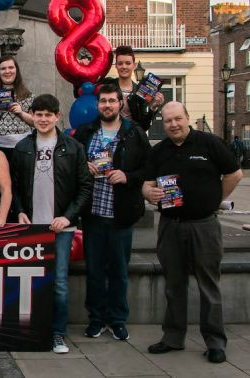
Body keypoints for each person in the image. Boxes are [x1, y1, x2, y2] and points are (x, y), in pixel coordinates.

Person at [142, 102, 242, 364]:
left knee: (209, 285)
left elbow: (235, 174)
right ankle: (173, 338)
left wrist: (214, 199)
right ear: (162, 124)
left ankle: (215, 342)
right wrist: (148, 192)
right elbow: (147, 184)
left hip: (204, 225)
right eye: (168, 121)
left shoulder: (209, 143)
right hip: (170, 225)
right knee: (174, 285)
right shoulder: (160, 151)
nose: (173, 125)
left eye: (177, 119)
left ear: (188, 118)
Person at [10, 94, 92, 354]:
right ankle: (31, 331)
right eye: (38, 114)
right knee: (30, 282)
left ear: (57, 116)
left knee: (58, 282)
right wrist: (20, 211)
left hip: (62, 228)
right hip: (31, 228)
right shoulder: (22, 147)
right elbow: (15, 187)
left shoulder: (74, 147)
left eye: (48, 114)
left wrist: (68, 217)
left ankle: (57, 333)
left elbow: (85, 186)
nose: (43, 119)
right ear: (31, 116)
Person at [74, 84, 151, 341]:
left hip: (121, 214)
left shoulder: (134, 134)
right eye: (103, 101)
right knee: (94, 270)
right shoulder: (86, 132)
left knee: (118, 270)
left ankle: (117, 320)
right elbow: (72, 165)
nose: (107, 105)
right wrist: (83, 165)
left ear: (120, 104)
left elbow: (147, 170)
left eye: (112, 101)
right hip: (93, 214)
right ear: (98, 105)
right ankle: (96, 319)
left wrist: (128, 176)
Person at [0, 55, 35, 155]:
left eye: (11, 67)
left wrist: (21, 113)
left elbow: (36, 122)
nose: (7, 71)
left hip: (23, 147)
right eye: (3, 68)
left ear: (16, 70)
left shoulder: (28, 95)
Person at [109, 45, 164, 131]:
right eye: (120, 63)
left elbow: (144, 126)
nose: (124, 67)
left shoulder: (141, 91)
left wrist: (153, 108)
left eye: (128, 63)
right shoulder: (108, 84)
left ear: (133, 65)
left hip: (130, 139)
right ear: (116, 65)